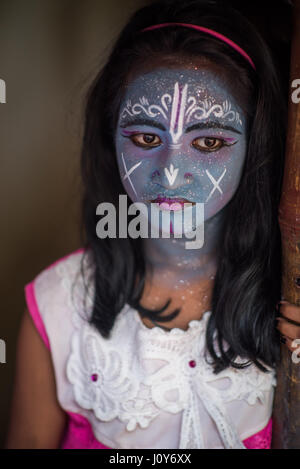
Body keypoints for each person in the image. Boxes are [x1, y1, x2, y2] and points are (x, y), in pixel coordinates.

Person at [6, 0, 300, 449]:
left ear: (255, 144)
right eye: (146, 137)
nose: (168, 172)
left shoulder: (289, 299)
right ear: (111, 134)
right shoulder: (58, 307)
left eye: (207, 141)